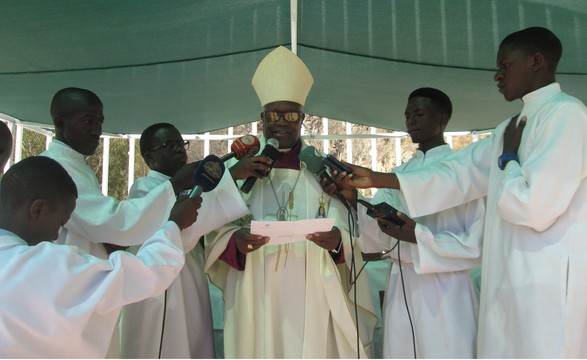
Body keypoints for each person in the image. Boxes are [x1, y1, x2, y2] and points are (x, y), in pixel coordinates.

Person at [337, 27, 587, 358]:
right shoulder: (509, 128)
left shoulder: (566, 115)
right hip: (508, 277)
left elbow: (534, 206)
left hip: (545, 278)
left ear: (536, 61)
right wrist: (379, 179)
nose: (498, 76)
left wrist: (510, 158)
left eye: (505, 66)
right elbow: (457, 173)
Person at [205, 46, 377, 358]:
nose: (281, 122)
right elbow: (212, 229)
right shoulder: (240, 171)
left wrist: (338, 242)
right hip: (255, 285)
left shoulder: (324, 170)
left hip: (313, 282)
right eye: (274, 115)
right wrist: (235, 241)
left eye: (290, 115)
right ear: (261, 119)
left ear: (302, 119)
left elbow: (352, 228)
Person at [40, 87, 198, 355]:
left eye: (100, 121)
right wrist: (173, 187)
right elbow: (111, 221)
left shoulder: (74, 163)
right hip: (72, 290)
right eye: (87, 121)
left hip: (85, 285)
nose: (96, 130)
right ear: (59, 122)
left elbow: (97, 226)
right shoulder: (56, 167)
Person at [330, 88, 484, 358]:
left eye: (419, 114)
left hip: (448, 287)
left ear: (442, 119)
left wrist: (419, 237)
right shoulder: (398, 175)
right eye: (408, 115)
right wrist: (352, 198)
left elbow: (477, 243)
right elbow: (372, 240)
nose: (411, 121)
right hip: (402, 285)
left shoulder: (463, 172)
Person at [0, 156, 202, 358]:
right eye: (61, 224)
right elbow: (145, 273)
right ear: (38, 209)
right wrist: (175, 223)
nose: (55, 236)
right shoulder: (45, 263)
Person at [119, 123, 255, 358]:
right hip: (163, 292)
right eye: (169, 145)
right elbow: (184, 224)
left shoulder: (192, 184)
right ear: (149, 156)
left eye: (181, 144)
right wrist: (232, 175)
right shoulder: (145, 190)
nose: (179, 150)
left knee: (194, 343)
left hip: (190, 281)